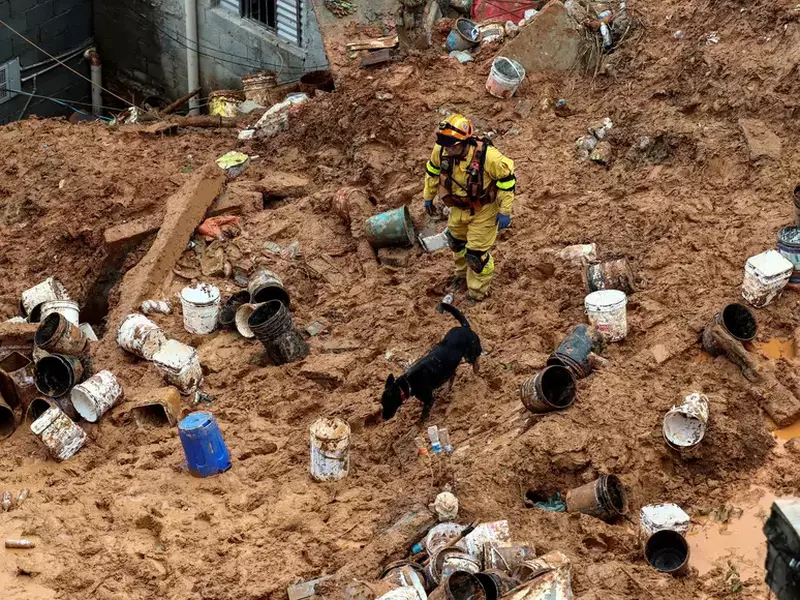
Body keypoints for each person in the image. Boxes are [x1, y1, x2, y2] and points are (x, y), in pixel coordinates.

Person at [422, 113, 516, 301]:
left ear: (465, 142)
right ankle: (461, 275)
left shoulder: (490, 158)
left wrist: (505, 211)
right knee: (457, 244)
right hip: (458, 208)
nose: (447, 149)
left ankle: (477, 292)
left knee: (476, 255)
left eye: (452, 146)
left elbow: (507, 182)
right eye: (445, 144)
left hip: (484, 211)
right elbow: (432, 171)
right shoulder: (441, 150)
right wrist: (428, 196)